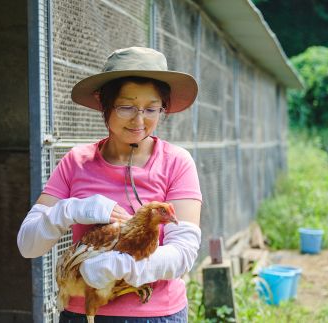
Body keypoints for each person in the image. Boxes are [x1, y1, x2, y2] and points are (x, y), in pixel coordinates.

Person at [17, 47, 202, 322]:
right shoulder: (76, 161)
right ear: (104, 102)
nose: (139, 120)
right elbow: (27, 244)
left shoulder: (177, 162)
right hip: (84, 312)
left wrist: (122, 265)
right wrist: (68, 210)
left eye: (152, 109)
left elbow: (184, 253)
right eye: (126, 107)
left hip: (158, 315)